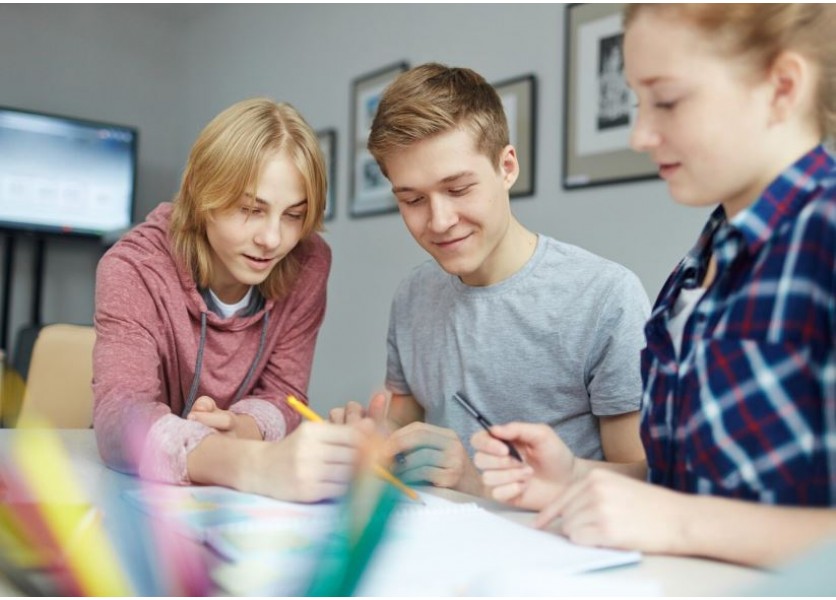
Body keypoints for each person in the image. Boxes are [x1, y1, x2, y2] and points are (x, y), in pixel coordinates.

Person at [473, 3, 836, 567]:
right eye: (639, 101)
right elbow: (705, 484)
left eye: (666, 100)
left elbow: (691, 516)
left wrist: (678, 523)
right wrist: (574, 479)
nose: (641, 134)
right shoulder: (702, 262)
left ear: (781, 86)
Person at [330, 63, 651, 496]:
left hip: (553, 546)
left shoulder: (605, 298)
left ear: (507, 167)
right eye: (412, 199)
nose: (440, 221)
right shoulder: (413, 295)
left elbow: (643, 479)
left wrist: (475, 478)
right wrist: (372, 439)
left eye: (459, 189)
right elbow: (403, 425)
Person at [93, 98, 370, 502]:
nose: (273, 239)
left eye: (294, 215)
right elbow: (120, 419)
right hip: (133, 495)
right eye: (251, 209)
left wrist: (240, 428)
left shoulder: (308, 263)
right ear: (201, 196)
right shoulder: (132, 267)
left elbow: (286, 395)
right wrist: (250, 463)